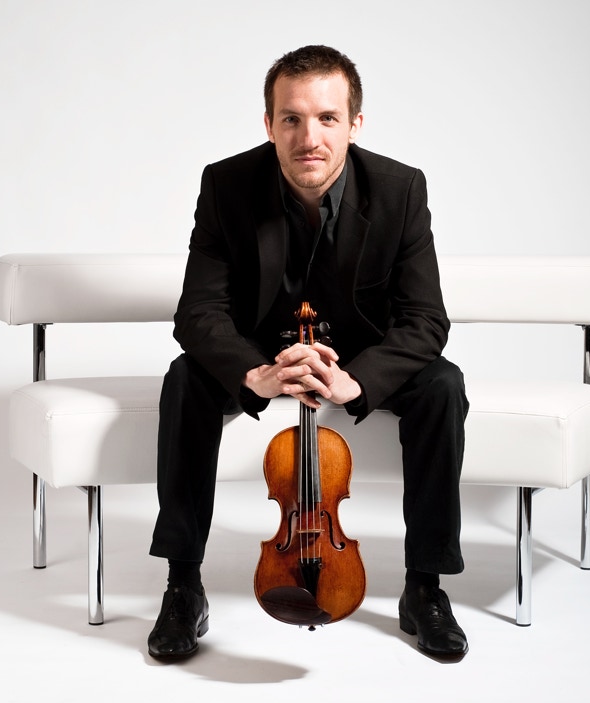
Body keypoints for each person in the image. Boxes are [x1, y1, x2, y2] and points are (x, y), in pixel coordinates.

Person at [147, 45, 469, 661]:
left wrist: (356, 381)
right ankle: (183, 586)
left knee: (442, 386)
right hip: (262, 352)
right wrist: (256, 373)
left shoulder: (400, 189)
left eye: (327, 118)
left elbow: (426, 320)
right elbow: (199, 312)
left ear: (354, 124)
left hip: (359, 357)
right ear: (269, 124)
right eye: (291, 118)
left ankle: (424, 588)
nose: (309, 137)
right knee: (185, 379)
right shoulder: (226, 185)